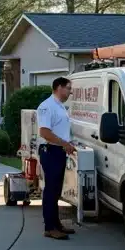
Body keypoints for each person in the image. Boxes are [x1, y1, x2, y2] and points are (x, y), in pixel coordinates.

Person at [37, 77, 76, 240]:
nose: (70, 91)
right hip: (51, 151)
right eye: (68, 88)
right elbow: (44, 132)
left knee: (56, 190)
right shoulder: (47, 106)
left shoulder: (60, 106)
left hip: (58, 151)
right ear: (58, 87)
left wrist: (67, 143)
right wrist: (64, 144)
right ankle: (49, 227)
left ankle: (56, 223)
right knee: (51, 190)